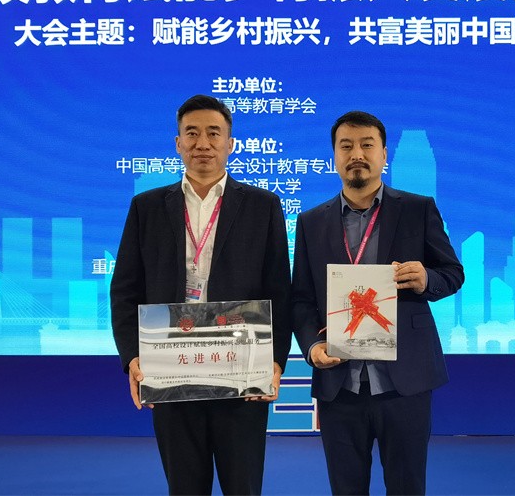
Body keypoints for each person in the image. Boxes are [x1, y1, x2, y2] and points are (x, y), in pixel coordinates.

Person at [110, 95, 291, 496]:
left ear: (230, 143)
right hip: (171, 369)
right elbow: (124, 290)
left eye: (214, 133)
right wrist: (133, 359)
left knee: (243, 486)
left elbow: (279, 288)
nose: (203, 143)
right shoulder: (147, 207)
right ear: (178, 144)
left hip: (241, 370)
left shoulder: (263, 206)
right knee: (185, 487)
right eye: (192, 134)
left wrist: (275, 361)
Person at [291, 111, 464, 495]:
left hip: (405, 382)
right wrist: (312, 346)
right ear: (334, 156)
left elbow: (453, 273)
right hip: (339, 385)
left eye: (367, 145)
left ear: (384, 154)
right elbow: (301, 299)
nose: (357, 154)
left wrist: (426, 278)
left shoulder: (417, 209)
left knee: (407, 487)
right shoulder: (311, 222)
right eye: (346, 146)